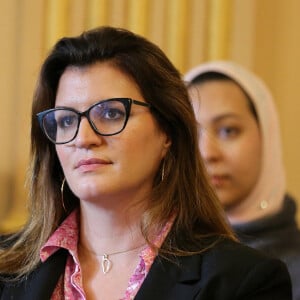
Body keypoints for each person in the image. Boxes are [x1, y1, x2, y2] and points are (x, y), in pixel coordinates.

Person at [0, 28, 291, 300]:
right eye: (66, 120)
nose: (84, 138)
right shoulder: (6, 269)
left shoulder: (242, 280)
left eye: (111, 113)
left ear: (167, 131)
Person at [185, 60, 300, 300]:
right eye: (191, 134)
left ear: (266, 137)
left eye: (228, 130)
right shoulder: (159, 260)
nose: (207, 153)